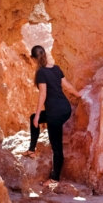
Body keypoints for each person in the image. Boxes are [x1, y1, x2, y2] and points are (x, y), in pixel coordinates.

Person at [21, 45, 81, 187]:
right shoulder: (56, 68)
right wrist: (79, 95)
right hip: (65, 109)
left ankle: (54, 179)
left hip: (55, 113)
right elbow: (67, 86)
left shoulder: (41, 73)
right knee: (33, 118)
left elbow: (43, 94)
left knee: (56, 147)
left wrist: (37, 116)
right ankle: (31, 150)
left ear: (34, 58)